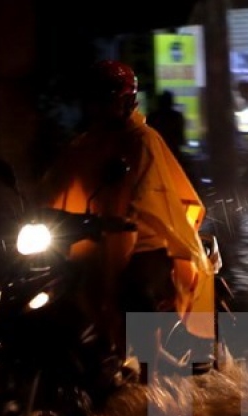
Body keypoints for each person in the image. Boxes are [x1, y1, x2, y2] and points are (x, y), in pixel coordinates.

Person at [39, 60, 214, 374]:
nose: (98, 107)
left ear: (125, 100)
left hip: (145, 242)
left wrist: (123, 217)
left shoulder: (143, 140)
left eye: (105, 99)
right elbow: (56, 184)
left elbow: (144, 192)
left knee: (135, 291)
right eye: (94, 99)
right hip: (96, 238)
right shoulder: (83, 144)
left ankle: (155, 366)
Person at [147, 90, 198, 185]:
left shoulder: (152, 117)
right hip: (174, 154)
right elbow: (181, 139)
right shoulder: (177, 117)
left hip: (157, 156)